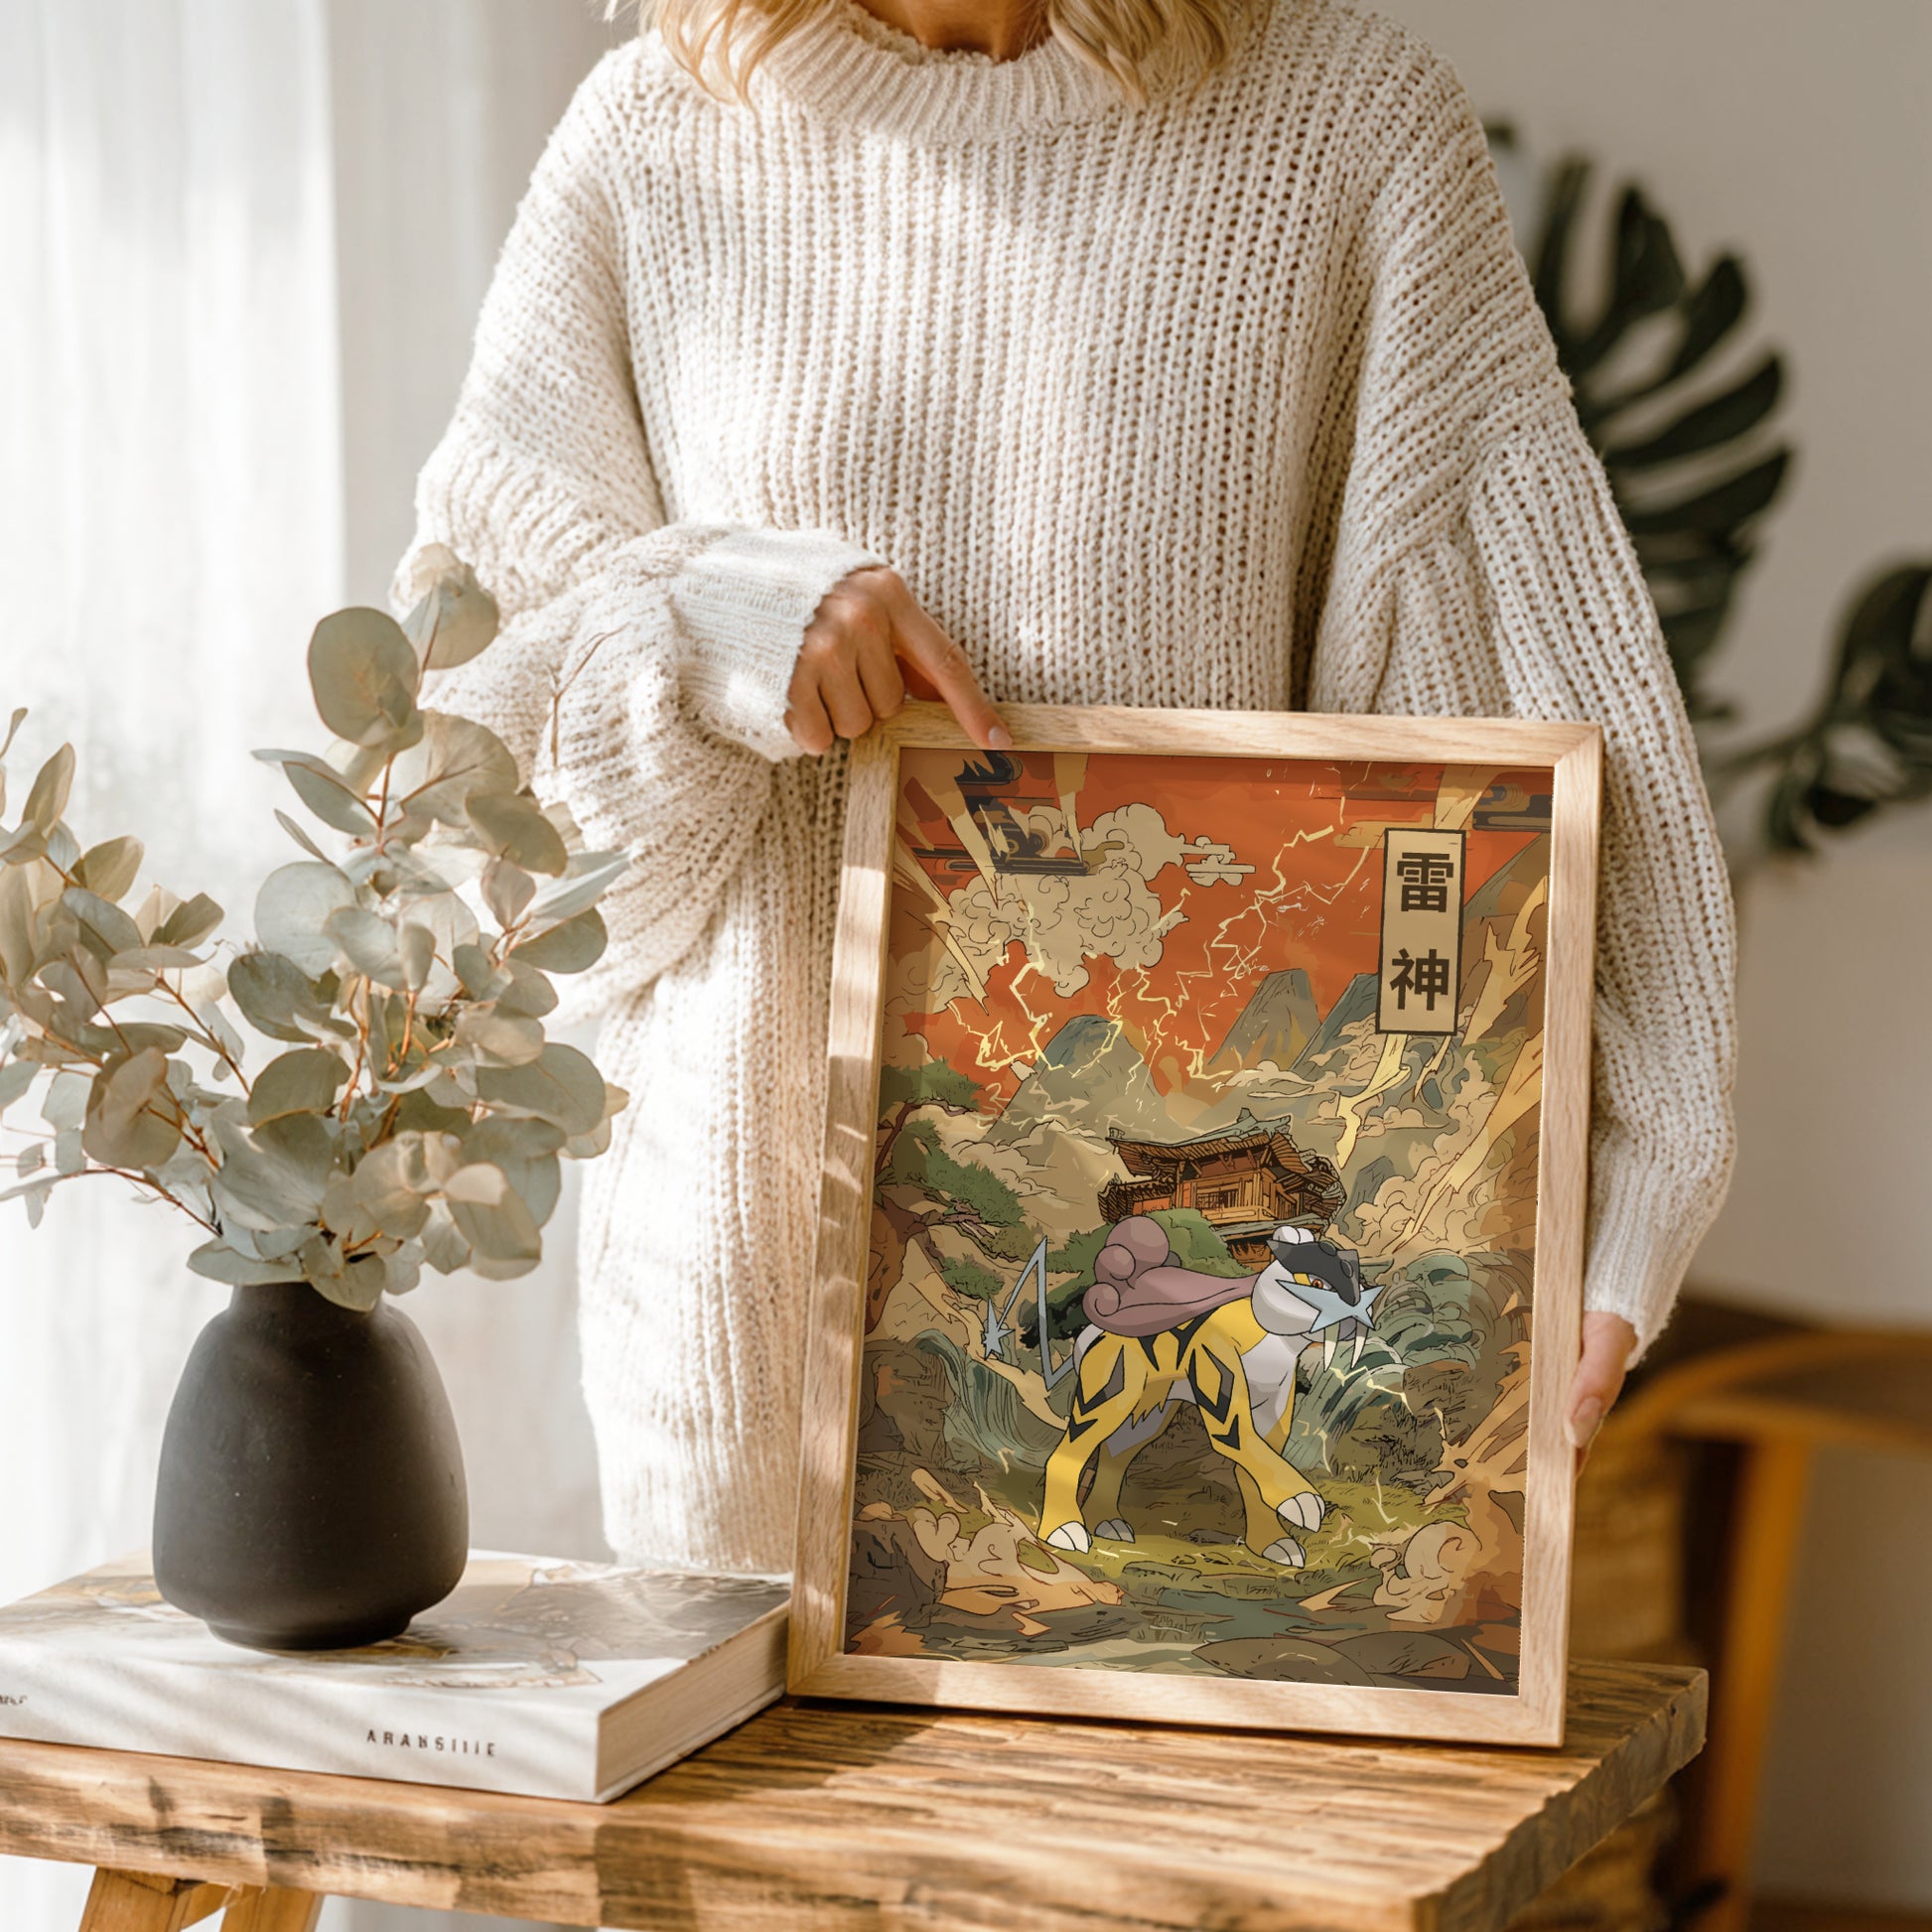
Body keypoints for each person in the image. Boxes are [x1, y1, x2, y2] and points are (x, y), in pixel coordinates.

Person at [393, 0, 1735, 1576]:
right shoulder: (650, 140)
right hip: (742, 1345)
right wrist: (705, 621)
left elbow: (1516, 703)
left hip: (1204, 1314)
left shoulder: (1343, 127)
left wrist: (1626, 1166)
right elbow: (467, 821)